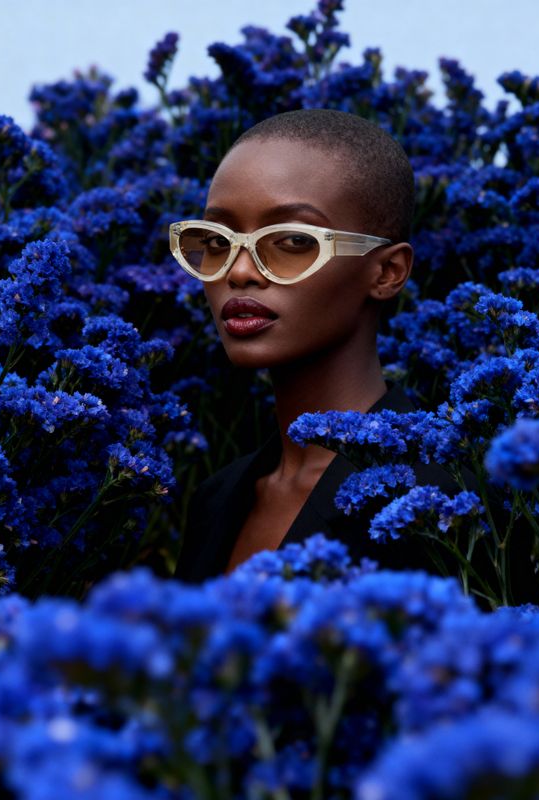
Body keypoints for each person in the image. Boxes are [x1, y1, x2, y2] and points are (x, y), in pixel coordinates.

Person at [170, 108, 465, 582]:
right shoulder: (217, 500)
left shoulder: (440, 499)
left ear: (387, 272)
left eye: (291, 240)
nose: (238, 271)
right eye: (218, 241)